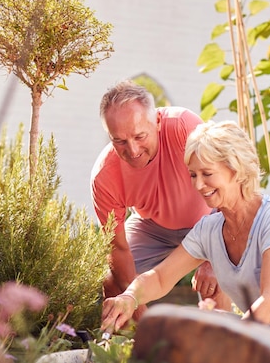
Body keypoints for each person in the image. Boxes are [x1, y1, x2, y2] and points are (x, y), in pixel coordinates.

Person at [101, 120, 270, 355]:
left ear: (236, 170)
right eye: (193, 175)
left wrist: (230, 343)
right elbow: (160, 277)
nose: (198, 185)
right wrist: (130, 297)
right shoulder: (211, 230)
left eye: (207, 174)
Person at [91, 80, 228, 316]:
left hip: (208, 220)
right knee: (112, 283)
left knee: (214, 283)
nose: (132, 151)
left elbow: (223, 185)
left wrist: (214, 259)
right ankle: (131, 349)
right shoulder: (105, 176)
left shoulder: (185, 128)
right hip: (152, 227)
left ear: (157, 121)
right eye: (119, 141)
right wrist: (139, 316)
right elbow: (119, 249)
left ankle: (222, 348)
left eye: (139, 136)